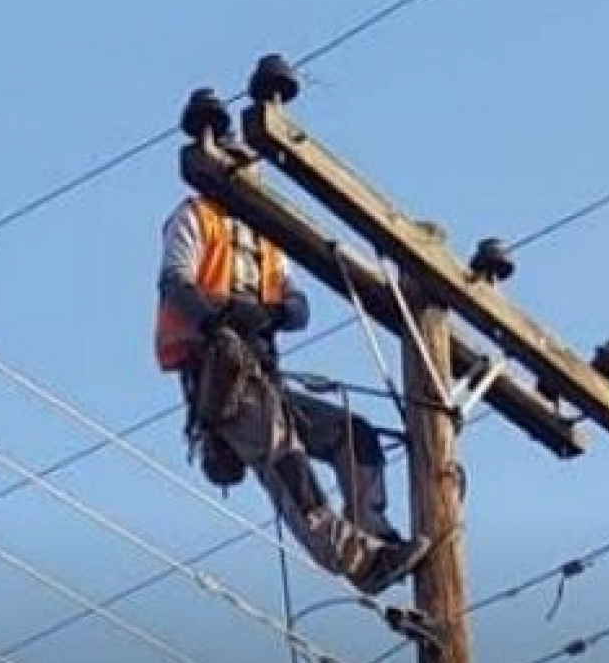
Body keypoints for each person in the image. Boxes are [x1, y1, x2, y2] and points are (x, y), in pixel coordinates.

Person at [155, 185, 429, 596]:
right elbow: (175, 282)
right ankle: (358, 559)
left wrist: (270, 314)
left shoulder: (264, 237)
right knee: (287, 461)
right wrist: (219, 320)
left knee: (352, 434)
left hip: (264, 376)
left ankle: (376, 537)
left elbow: (298, 306)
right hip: (220, 376)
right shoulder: (195, 216)